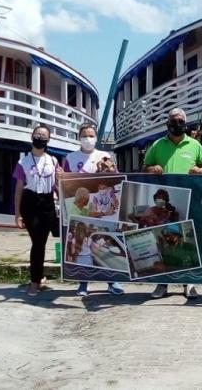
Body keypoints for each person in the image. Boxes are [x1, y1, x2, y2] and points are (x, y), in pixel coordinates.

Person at [143, 107, 202, 299]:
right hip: (163, 204)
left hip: (189, 201)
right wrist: (152, 168)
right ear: (167, 124)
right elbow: (144, 168)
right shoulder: (157, 145)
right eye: (173, 120)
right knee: (162, 242)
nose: (177, 123)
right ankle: (162, 284)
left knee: (186, 242)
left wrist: (200, 170)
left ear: (186, 123)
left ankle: (188, 283)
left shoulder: (195, 145)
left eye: (181, 120)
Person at [62, 123, 125, 296]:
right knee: (82, 245)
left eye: (91, 135)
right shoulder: (71, 157)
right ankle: (83, 283)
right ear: (79, 137)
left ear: (96, 138)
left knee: (106, 242)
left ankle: (113, 281)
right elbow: (64, 185)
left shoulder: (104, 155)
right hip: (81, 209)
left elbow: (116, 178)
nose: (88, 139)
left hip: (103, 209)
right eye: (84, 135)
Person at [13, 125, 62, 297]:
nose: (40, 137)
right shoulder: (23, 162)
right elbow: (19, 189)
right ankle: (35, 282)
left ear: (48, 140)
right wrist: (18, 214)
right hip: (30, 202)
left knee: (58, 236)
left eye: (44, 135)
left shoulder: (53, 160)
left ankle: (40, 278)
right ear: (32, 136)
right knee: (38, 242)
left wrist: (62, 179)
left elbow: (58, 186)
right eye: (37, 134)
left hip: (48, 202)